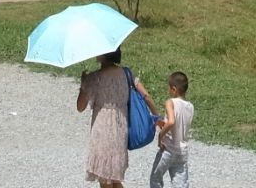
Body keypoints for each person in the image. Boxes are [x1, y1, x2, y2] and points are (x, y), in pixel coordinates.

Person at [75, 49, 157, 188]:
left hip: (102, 130)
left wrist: (83, 85)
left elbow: (80, 107)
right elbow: (146, 95)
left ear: (103, 55)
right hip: (121, 128)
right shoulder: (127, 73)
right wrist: (156, 116)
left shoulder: (94, 78)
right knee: (115, 178)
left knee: (105, 178)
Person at [151, 71, 193, 188]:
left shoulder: (170, 102)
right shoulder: (190, 106)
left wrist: (160, 136)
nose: (168, 91)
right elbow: (180, 123)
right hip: (182, 152)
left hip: (168, 149)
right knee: (180, 184)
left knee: (156, 179)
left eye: (169, 88)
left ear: (174, 89)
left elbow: (172, 121)